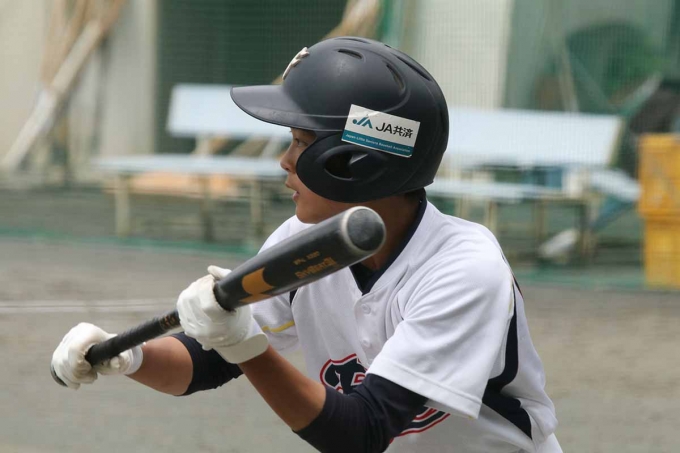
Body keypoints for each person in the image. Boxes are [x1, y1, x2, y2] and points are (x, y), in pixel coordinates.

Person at [52, 37, 562, 452]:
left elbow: (361, 433)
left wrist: (242, 343)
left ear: (358, 162)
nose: (285, 160)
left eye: (300, 141)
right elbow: (205, 363)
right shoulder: (304, 241)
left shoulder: (464, 269)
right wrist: (130, 357)